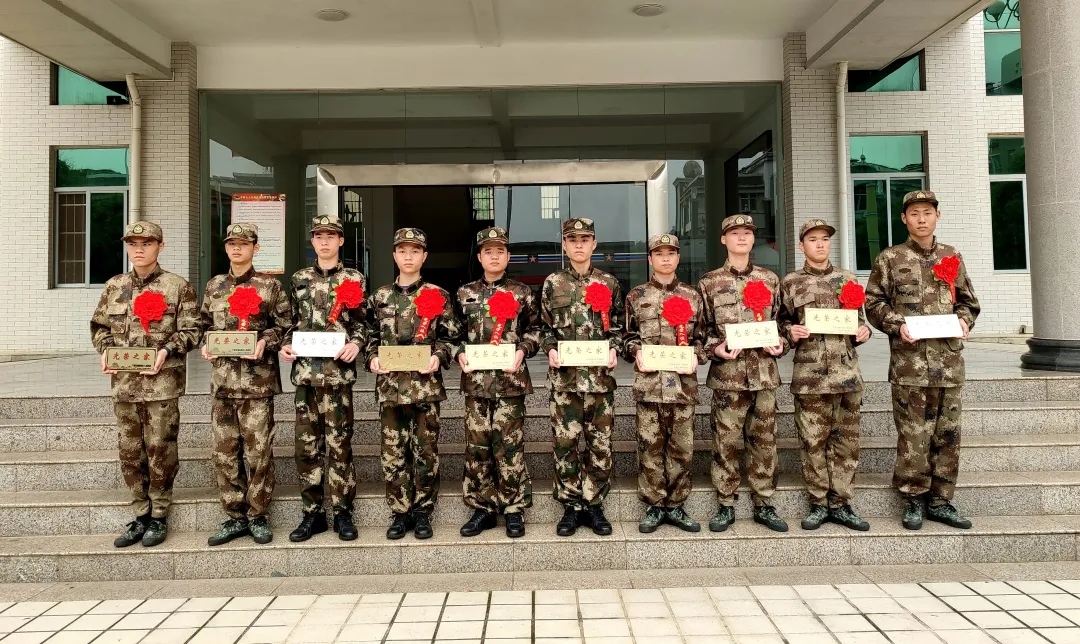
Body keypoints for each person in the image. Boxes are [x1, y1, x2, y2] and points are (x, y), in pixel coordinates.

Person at [864, 190, 981, 530]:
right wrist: (896, 324)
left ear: (937, 216)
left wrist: (964, 320)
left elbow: (968, 301)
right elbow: (874, 303)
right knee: (913, 435)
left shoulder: (951, 256)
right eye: (914, 213)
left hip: (948, 363)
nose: (921, 219)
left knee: (948, 434)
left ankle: (942, 500)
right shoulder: (890, 258)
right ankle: (913, 498)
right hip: (910, 364)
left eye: (927, 212)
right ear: (904, 219)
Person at [90, 221, 200, 548]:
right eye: (133, 243)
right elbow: (99, 327)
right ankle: (140, 512)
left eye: (147, 243)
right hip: (125, 384)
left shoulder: (177, 287)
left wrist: (166, 350)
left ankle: (159, 514)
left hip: (161, 385)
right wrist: (105, 351)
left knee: (161, 448)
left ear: (160, 247)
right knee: (130, 450)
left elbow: (192, 330)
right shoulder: (115, 286)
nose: (139, 249)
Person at [197, 223, 293, 546]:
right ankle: (234, 516)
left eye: (244, 243)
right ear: (226, 248)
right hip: (223, 384)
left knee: (259, 452)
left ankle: (258, 514)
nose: (237, 249)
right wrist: (206, 344)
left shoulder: (270, 286)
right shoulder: (215, 286)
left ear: (256, 248)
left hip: (257, 384)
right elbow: (203, 325)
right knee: (224, 452)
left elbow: (285, 326)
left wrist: (265, 341)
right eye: (231, 244)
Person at [777, 219, 872, 532]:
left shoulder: (847, 279)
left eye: (824, 239)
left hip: (846, 374)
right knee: (813, 442)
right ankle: (818, 503)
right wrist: (790, 332)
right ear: (801, 245)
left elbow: (860, 322)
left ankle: (841, 503)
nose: (820, 244)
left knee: (846, 443)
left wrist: (863, 332)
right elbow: (780, 324)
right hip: (811, 376)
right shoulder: (791, 283)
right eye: (813, 239)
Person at [366, 228, 460, 540]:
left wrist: (439, 356)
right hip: (390, 388)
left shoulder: (438, 295)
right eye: (403, 251)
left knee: (425, 452)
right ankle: (399, 512)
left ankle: (422, 512)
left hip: (424, 389)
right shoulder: (380, 297)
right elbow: (368, 335)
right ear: (394, 255)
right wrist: (371, 358)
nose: (408, 256)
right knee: (393, 453)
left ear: (424, 256)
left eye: (415, 251)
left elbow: (451, 337)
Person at [279, 215, 368, 543]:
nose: (325, 241)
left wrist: (356, 343)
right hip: (305, 376)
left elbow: (363, 323)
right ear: (313, 241)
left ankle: (342, 512)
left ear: (341, 240)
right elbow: (290, 321)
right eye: (319, 236)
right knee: (306, 447)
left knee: (339, 445)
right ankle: (312, 513)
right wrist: (285, 344)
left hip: (337, 376)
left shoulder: (353, 279)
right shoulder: (299, 278)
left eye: (331, 236)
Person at [698, 214, 789, 533]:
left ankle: (764, 502)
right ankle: (726, 503)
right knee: (725, 442)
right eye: (734, 233)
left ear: (753, 239)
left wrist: (782, 343)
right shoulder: (709, 283)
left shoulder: (770, 279)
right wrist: (716, 348)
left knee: (765, 441)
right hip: (728, 377)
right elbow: (701, 331)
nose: (741, 238)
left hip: (763, 374)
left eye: (747, 233)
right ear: (723, 239)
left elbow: (784, 323)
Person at [539, 217, 624, 537]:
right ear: (564, 245)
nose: (579, 244)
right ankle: (572, 506)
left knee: (600, 445)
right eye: (572, 239)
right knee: (565, 445)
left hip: (600, 381)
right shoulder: (552, 283)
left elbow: (619, 327)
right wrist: (550, 348)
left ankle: (595, 504)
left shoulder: (609, 283)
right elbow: (543, 327)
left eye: (585, 239)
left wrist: (614, 348)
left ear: (594, 244)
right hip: (565, 382)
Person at [453, 226, 540, 538]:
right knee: (478, 446)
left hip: (510, 382)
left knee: (510, 445)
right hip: (476, 383)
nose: (494, 256)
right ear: (479, 257)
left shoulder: (522, 293)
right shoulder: (464, 294)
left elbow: (535, 330)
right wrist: (459, 353)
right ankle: (483, 508)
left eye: (500, 251)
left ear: (508, 256)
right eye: (488, 251)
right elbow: (452, 333)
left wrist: (522, 350)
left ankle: (514, 508)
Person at [623, 233, 705, 534]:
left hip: (682, 387)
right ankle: (655, 505)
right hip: (649, 386)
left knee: (682, 448)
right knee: (650, 447)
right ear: (650, 259)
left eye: (671, 253)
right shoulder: (636, 296)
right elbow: (627, 336)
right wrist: (635, 352)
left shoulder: (692, 296)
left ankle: (676, 505)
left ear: (678, 258)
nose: (665, 258)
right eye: (659, 253)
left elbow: (703, 337)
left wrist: (696, 354)